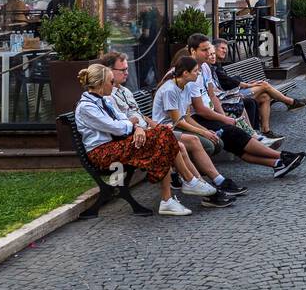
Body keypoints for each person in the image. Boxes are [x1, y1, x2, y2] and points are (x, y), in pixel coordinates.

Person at [95, 52, 234, 206]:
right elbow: (122, 124)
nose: (127, 73)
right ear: (108, 71)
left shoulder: (125, 91)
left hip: (148, 130)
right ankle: (203, 188)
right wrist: (142, 127)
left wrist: (157, 126)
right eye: (123, 70)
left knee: (190, 141)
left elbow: (142, 117)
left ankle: (208, 185)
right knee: (177, 144)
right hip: (135, 138)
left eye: (127, 69)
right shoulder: (107, 96)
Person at [73, 63, 193, 216]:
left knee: (163, 134)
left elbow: (125, 119)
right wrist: (133, 124)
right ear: (100, 84)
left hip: (116, 145)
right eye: (111, 81)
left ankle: (173, 195)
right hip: (103, 154)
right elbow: (117, 127)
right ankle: (185, 184)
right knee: (163, 134)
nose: (114, 84)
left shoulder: (105, 100)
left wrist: (137, 128)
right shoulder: (86, 107)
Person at [165, 55, 306, 184]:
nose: (210, 53)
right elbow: (190, 114)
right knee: (233, 134)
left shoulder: (198, 74)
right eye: (206, 50)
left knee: (235, 140)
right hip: (192, 121)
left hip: (202, 116)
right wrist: (207, 129)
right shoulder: (179, 85)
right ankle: (282, 157)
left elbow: (208, 98)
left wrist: (222, 118)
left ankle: (278, 163)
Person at [212, 38, 306, 138]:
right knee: (264, 85)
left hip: (234, 92)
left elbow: (228, 81)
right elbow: (226, 82)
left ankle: (266, 131)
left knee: (265, 96)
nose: (225, 51)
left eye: (226, 49)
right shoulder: (212, 66)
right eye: (222, 48)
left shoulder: (217, 65)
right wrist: (248, 85)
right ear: (214, 49)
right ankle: (290, 102)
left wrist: (247, 83)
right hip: (230, 97)